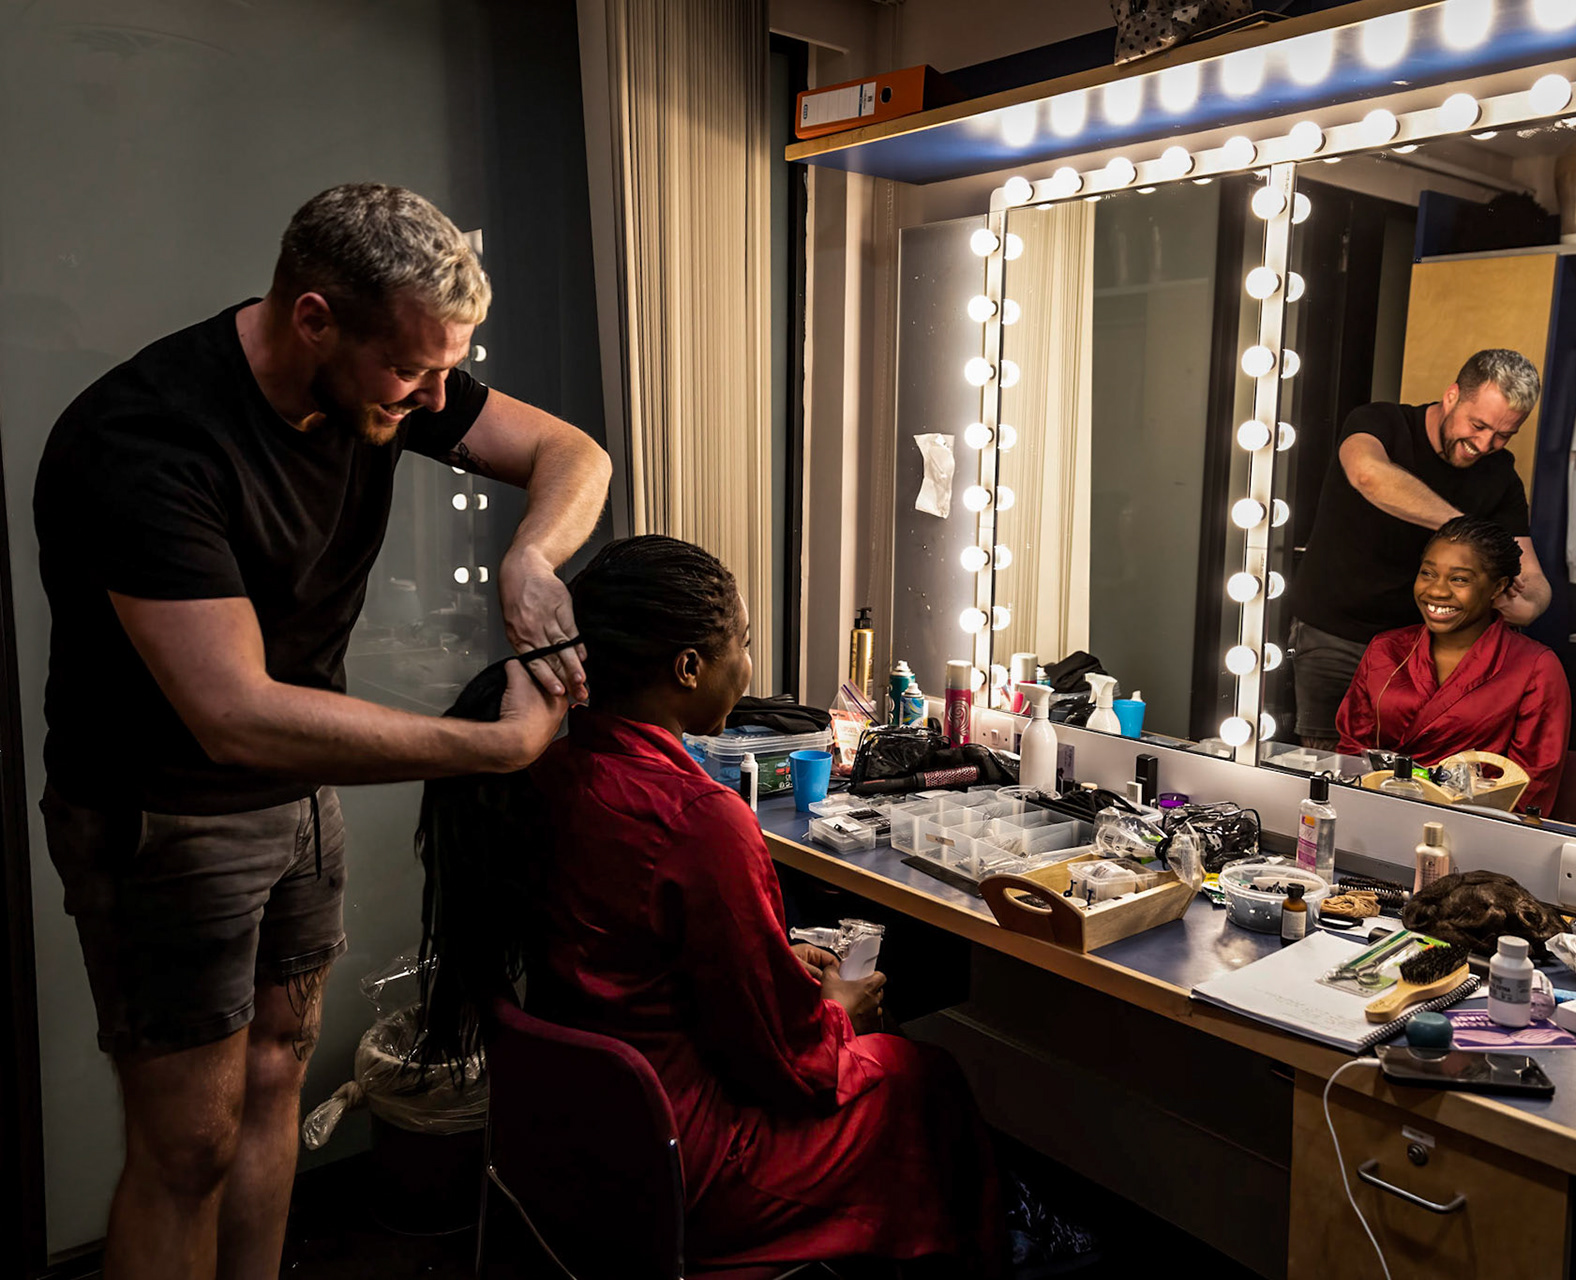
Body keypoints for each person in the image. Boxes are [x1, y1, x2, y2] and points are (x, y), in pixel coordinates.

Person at [33, 183, 611, 1279]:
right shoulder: (147, 441)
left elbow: (573, 455)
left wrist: (529, 556)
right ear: (314, 318)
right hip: (166, 813)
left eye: (451, 367)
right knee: (188, 1144)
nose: (437, 397)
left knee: (278, 1071)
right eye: (413, 370)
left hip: (299, 798)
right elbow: (235, 713)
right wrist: (492, 746)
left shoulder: (395, 376)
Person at [416, 536, 1016, 1273]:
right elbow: (789, 1066)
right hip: (685, 1169)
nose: (750, 666)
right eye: (746, 643)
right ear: (690, 667)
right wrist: (841, 1012)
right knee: (921, 1075)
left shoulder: (545, 774)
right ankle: (982, 1252)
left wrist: (772, 960)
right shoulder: (699, 819)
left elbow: (644, 964)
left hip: (565, 1141)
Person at [1288, 349, 1552, 750]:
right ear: (1451, 397)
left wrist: (1523, 605)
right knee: (1330, 771)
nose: (1484, 444)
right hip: (1336, 638)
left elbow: (1533, 585)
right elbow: (1369, 475)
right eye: (1477, 425)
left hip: (1421, 653)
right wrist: (1463, 532)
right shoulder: (1379, 423)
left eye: (1503, 435)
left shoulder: (1500, 476)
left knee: (1413, 778)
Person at [1335, 518, 1571, 815]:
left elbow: (1531, 785)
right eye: (1428, 574)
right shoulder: (1385, 649)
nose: (1437, 591)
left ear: (1497, 587)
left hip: (1476, 831)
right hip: (1377, 813)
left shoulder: (1534, 666)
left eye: (1459, 579)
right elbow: (1352, 752)